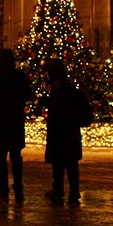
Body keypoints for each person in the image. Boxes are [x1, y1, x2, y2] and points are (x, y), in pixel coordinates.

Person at [0, 49, 32, 203]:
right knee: (16, 155)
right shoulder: (20, 76)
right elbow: (28, 95)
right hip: (15, 119)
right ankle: (18, 187)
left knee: (0, 157)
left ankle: (3, 189)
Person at [43, 59, 89, 206]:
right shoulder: (67, 85)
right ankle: (73, 190)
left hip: (60, 130)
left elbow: (58, 108)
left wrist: (46, 103)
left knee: (59, 162)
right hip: (70, 130)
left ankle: (59, 189)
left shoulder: (58, 88)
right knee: (71, 163)